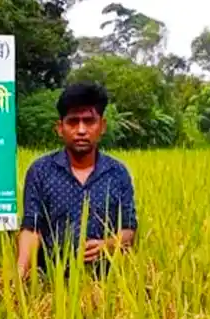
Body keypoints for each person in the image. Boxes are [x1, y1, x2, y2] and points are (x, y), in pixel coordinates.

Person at [16, 82, 138, 279]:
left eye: (89, 121)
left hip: (105, 285)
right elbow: (31, 228)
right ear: (60, 128)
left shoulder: (118, 173)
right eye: (73, 122)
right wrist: (20, 271)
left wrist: (107, 245)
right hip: (51, 283)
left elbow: (129, 229)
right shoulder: (40, 171)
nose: (81, 130)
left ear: (102, 126)